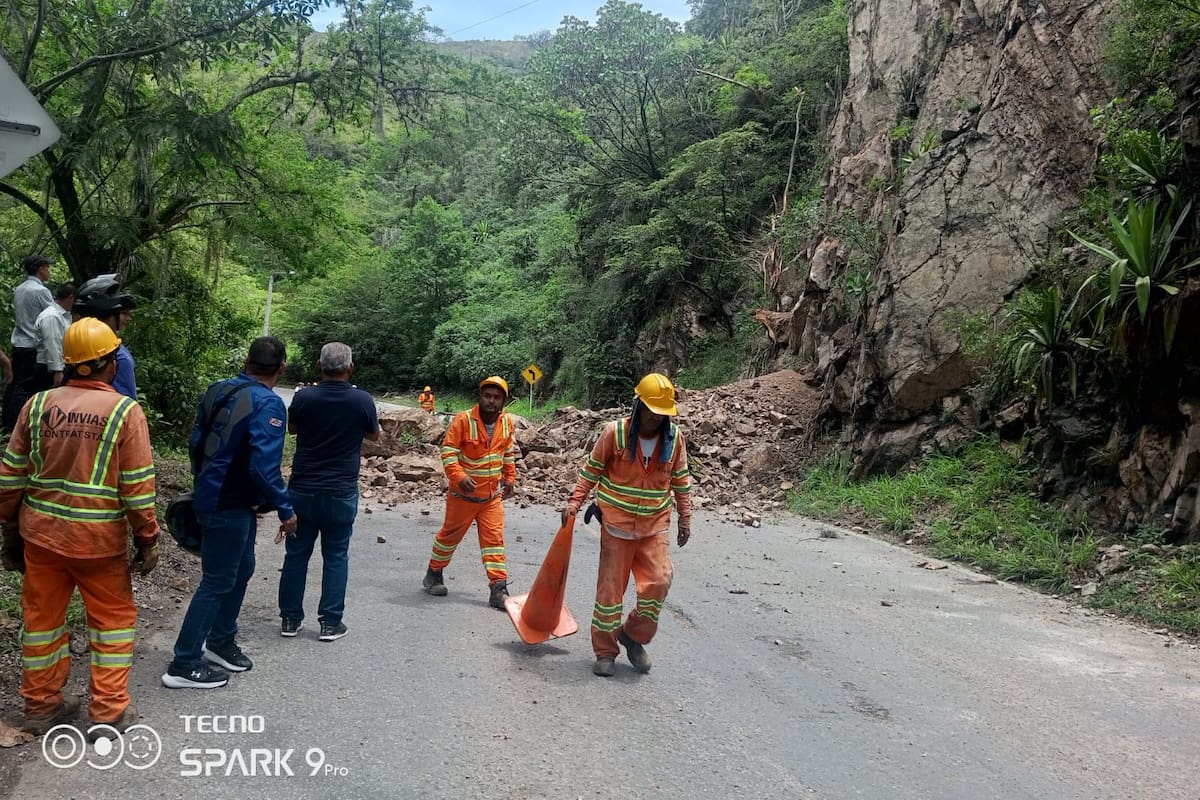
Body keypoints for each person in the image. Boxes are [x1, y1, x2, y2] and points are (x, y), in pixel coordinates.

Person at [0, 318, 159, 735]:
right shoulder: (125, 411)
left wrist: (8, 527)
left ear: (70, 364)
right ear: (108, 363)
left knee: (42, 624)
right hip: (99, 544)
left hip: (43, 538)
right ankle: (107, 713)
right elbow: (138, 489)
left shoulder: (35, 406)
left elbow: (11, 475)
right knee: (112, 624)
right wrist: (147, 539)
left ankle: (40, 707)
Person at [162, 337, 297, 690]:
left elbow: (195, 442)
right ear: (281, 367)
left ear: (245, 360)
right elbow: (264, 468)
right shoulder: (268, 403)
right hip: (229, 504)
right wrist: (285, 509)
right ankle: (184, 661)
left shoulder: (217, 390)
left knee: (243, 568)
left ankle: (220, 641)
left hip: (215, 495)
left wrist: (202, 481)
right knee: (218, 580)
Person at [560, 373, 692, 678]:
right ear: (638, 406)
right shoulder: (614, 433)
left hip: (654, 526)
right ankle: (605, 652)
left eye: (662, 414)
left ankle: (632, 635)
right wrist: (574, 502)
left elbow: (681, 481)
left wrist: (685, 518)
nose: (656, 419)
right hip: (616, 526)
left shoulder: (675, 440)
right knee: (609, 594)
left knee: (659, 582)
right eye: (651, 411)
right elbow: (591, 470)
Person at [278, 342, 380, 641]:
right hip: (341, 490)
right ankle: (330, 622)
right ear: (350, 368)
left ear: (319, 367)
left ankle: (290, 620)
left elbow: (293, 429)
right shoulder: (362, 400)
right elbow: (373, 435)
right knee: (336, 556)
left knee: (296, 555)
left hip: (303, 490)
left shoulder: (304, 397)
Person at [422, 376, 518, 609]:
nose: (491, 401)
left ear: (503, 402)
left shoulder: (506, 423)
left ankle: (498, 588)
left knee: (494, 541)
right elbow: (448, 451)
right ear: (480, 397)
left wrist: (510, 478)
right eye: (487, 396)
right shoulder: (463, 421)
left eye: (496, 398)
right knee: (449, 538)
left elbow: (508, 452)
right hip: (462, 497)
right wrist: (459, 476)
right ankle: (434, 573)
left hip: (490, 497)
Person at [2, 254, 55, 430]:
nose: (49, 271)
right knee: (25, 387)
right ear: (40, 269)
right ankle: (15, 426)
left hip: (19, 342)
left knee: (16, 384)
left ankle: (7, 423)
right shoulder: (41, 291)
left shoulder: (20, 288)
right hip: (32, 344)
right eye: (47, 267)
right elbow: (53, 315)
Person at [73, 273, 138, 400]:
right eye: (124, 313)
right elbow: (126, 406)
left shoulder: (73, 346)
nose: (129, 318)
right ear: (106, 315)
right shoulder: (118, 356)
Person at [33, 283, 76, 390]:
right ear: (70, 297)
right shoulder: (52, 316)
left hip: (59, 366)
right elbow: (52, 344)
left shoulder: (64, 315)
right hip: (48, 368)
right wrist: (57, 371)